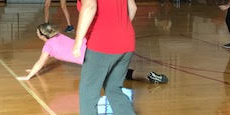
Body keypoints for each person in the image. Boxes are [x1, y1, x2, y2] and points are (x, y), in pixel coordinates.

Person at [16, 23, 169, 84]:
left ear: (43, 36)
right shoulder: (57, 36)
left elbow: (41, 60)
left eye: (37, 33)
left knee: (116, 76)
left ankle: (147, 77)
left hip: (92, 58)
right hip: (94, 46)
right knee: (121, 71)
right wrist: (36, 69)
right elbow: (42, 61)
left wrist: (29, 76)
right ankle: (150, 76)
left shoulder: (48, 46)